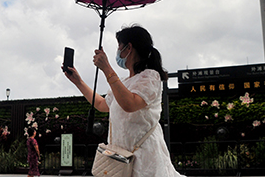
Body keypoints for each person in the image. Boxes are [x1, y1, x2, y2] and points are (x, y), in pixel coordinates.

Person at [64, 24, 183, 177]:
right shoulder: (124, 82)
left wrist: (107, 68)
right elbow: (102, 104)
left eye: (119, 46)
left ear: (129, 48)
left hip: (145, 160)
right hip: (119, 160)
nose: (118, 51)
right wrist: (78, 82)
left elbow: (130, 104)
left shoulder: (150, 76)